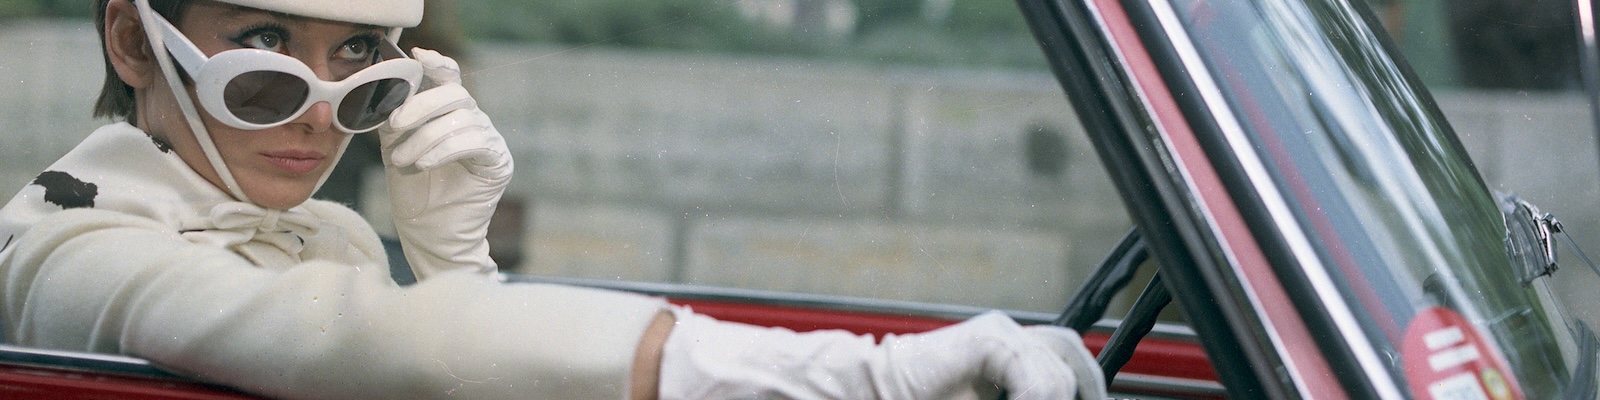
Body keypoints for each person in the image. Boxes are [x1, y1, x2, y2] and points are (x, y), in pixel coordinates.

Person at [0, 0, 1107, 398]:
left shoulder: (332, 231)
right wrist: (856, 375)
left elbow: (432, 360)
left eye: (360, 69)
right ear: (133, 40)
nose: (314, 112)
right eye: (262, 53)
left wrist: (452, 261)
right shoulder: (64, 242)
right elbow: (353, 342)